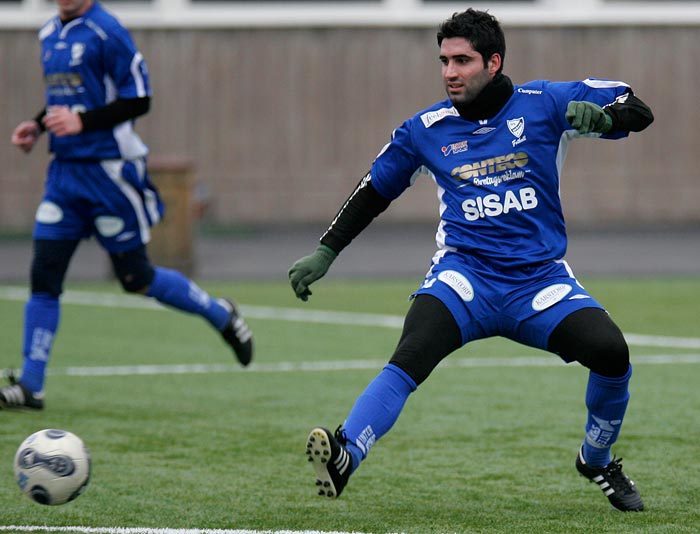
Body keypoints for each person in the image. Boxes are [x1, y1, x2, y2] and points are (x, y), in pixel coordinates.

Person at [289, 9, 653, 511]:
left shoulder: (545, 102)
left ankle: (596, 459)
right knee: (410, 354)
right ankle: (346, 454)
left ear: (494, 62)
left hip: (537, 282)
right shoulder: (425, 129)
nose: (449, 72)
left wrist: (608, 117)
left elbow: (637, 107)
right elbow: (375, 189)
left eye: (462, 60)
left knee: (613, 354)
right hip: (466, 278)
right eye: (444, 61)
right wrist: (327, 250)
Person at [0, 0, 253, 411]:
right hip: (64, 176)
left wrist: (83, 122)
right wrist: (38, 123)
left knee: (136, 278)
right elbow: (68, 98)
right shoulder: (49, 33)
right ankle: (31, 385)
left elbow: (139, 99)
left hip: (109, 177)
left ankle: (220, 314)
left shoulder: (107, 31)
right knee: (44, 274)